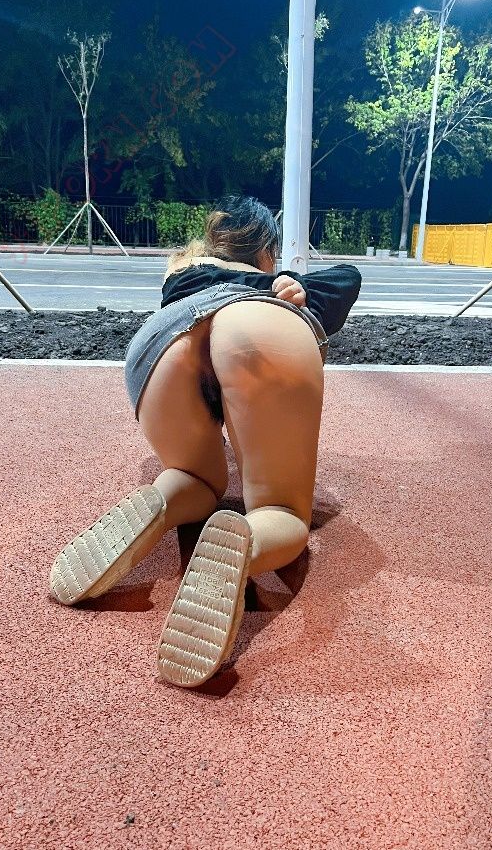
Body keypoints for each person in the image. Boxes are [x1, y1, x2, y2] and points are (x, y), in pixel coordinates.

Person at [48, 195, 362, 688]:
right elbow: (347, 279)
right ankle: (251, 541)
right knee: (281, 510)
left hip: (161, 344)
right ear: (266, 250)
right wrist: (290, 284)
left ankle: (164, 499)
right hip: (258, 326)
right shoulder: (273, 283)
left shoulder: (182, 274)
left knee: (194, 476)